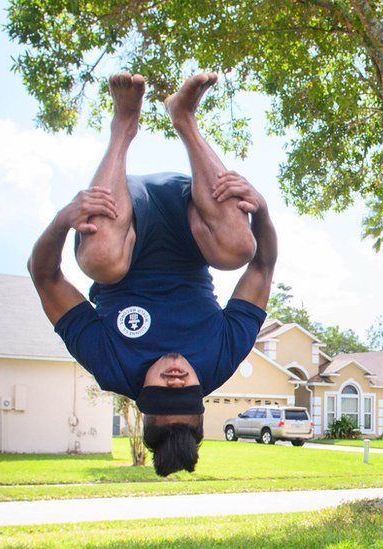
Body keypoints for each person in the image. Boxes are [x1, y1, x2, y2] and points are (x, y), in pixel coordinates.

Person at [28, 72, 276, 476]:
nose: (176, 380)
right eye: (187, 392)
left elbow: (46, 279)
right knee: (240, 248)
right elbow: (263, 268)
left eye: (162, 394)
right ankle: (184, 118)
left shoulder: (111, 364)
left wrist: (62, 221)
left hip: (124, 221)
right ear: (201, 395)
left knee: (102, 261)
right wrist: (261, 209)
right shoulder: (220, 358)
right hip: (195, 218)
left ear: (142, 397)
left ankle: (123, 126)